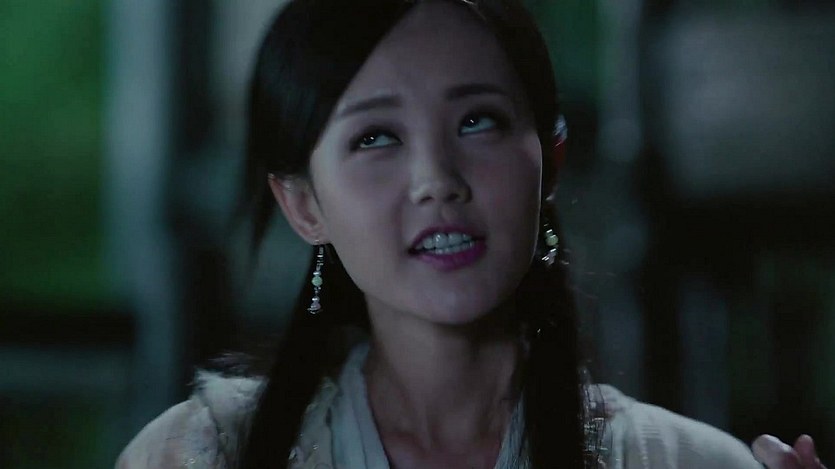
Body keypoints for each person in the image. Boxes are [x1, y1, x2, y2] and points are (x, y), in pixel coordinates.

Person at [115, 0, 827, 468]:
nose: (437, 179)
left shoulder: (678, 462)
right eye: (375, 137)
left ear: (548, 162)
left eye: (477, 121)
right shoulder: (200, 454)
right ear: (304, 205)